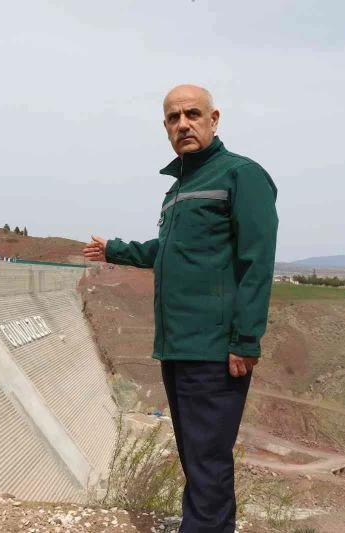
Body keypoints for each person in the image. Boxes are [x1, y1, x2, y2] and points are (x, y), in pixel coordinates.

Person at [83, 85, 278, 532]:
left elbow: (256, 260)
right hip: (177, 345)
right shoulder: (179, 189)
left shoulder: (240, 175)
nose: (183, 124)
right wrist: (115, 249)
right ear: (166, 127)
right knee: (195, 454)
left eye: (193, 114)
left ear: (214, 119)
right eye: (173, 118)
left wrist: (245, 340)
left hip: (214, 347)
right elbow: (170, 252)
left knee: (207, 458)